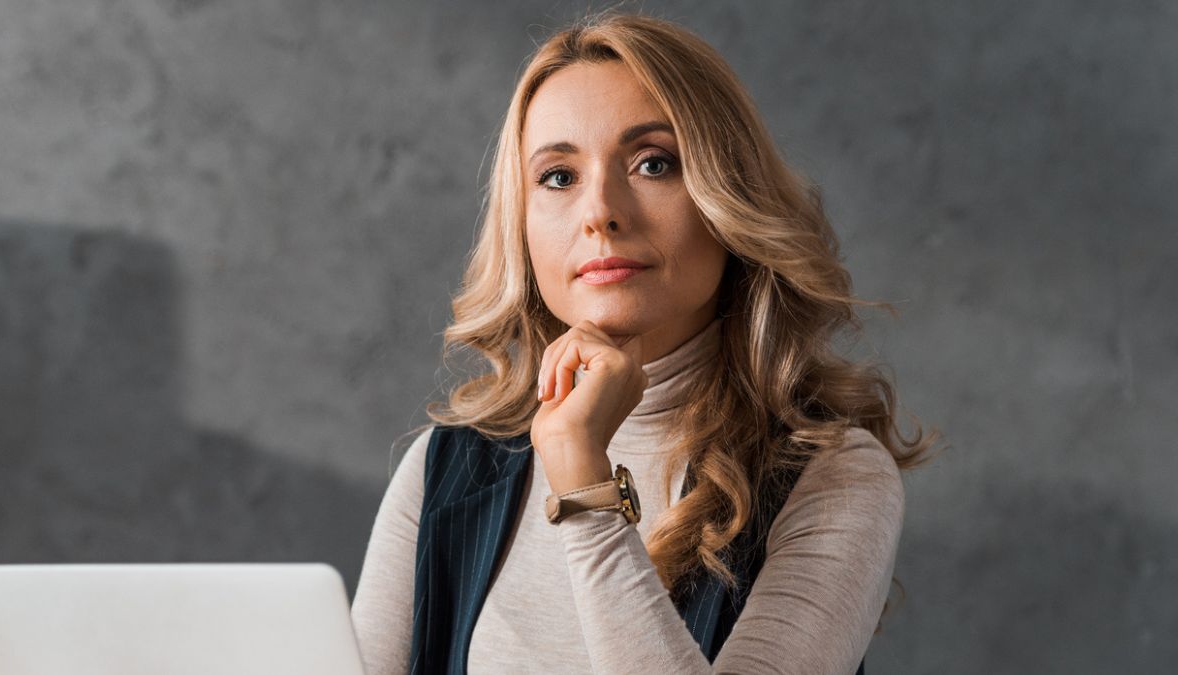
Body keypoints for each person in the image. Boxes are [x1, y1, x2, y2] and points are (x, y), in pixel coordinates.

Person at [351, 11, 936, 675]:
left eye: (653, 163)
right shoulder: (442, 470)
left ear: (727, 198)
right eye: (558, 176)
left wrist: (582, 475)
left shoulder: (834, 475)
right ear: (522, 226)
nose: (600, 210)